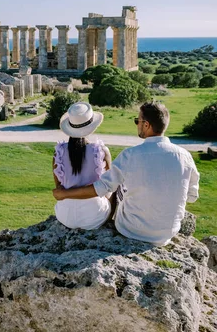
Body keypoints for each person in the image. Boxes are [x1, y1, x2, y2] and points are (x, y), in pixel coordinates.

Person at [53, 101, 200, 246]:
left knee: (120, 188)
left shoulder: (130, 155)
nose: (137, 124)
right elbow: (192, 197)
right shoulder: (185, 156)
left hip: (131, 230)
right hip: (168, 232)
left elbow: (102, 187)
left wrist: (65, 194)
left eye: (137, 121)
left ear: (146, 125)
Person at [53, 102, 113, 230]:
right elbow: (110, 187)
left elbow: (59, 188)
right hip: (93, 217)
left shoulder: (59, 152)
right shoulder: (101, 151)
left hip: (65, 216)